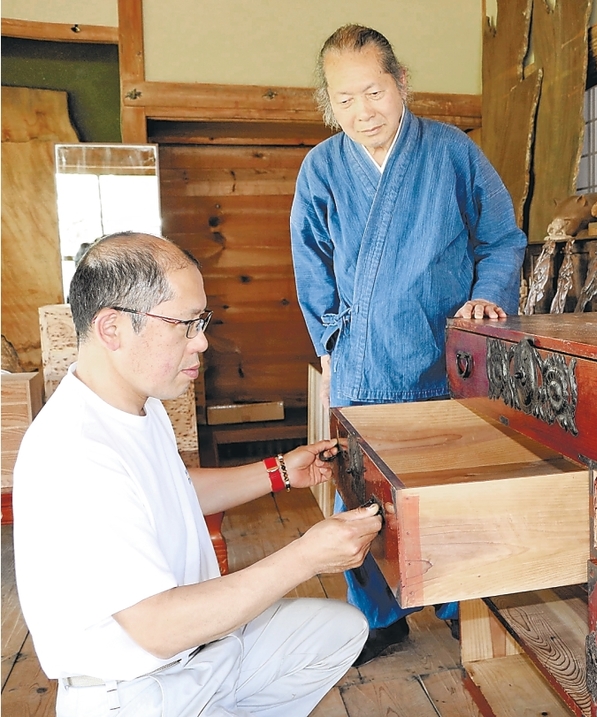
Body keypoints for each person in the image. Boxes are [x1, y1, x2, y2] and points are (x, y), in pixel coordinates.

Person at [13, 232, 384, 717]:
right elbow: (158, 627)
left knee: (339, 631)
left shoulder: (136, 405)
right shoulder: (75, 451)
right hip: (135, 691)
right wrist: (307, 556)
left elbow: (174, 491)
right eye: (185, 324)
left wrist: (279, 472)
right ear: (111, 329)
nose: (203, 341)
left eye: (201, 322)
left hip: (200, 657)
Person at [290, 24, 526, 665]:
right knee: (361, 495)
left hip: (446, 352)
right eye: (344, 99)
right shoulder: (322, 168)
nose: (363, 111)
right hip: (365, 361)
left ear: (400, 84)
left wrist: (488, 297)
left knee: (451, 488)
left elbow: (501, 239)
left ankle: (458, 604)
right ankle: (380, 617)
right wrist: (334, 336)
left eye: (374, 91)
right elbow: (310, 263)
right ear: (328, 105)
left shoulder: (452, 151)